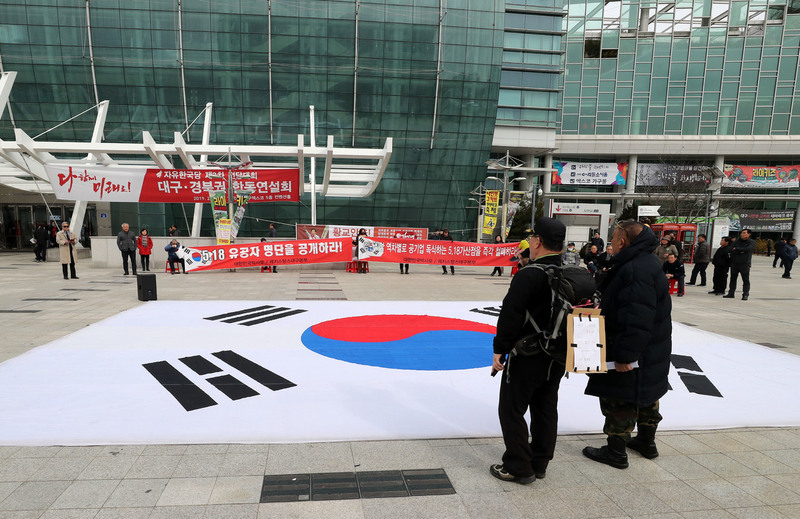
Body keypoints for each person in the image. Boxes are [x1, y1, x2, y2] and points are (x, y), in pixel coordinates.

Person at [583, 220, 672, 469]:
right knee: (647, 394)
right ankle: (646, 442)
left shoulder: (634, 269)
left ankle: (616, 451)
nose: (610, 242)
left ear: (622, 241)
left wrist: (624, 356)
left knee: (620, 396)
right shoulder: (647, 261)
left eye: (613, 238)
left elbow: (636, 317)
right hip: (651, 347)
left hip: (633, 347)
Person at [489, 217, 568, 485]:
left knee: (511, 409)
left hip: (528, 354)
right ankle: (540, 461)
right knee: (546, 407)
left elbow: (511, 316)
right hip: (558, 354)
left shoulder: (529, 275)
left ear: (537, 242)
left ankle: (518, 466)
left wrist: (499, 350)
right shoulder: (571, 272)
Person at [724, 228, 755, 300]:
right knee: (733, 279)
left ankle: (745, 294)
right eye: (741, 233)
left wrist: (737, 249)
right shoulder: (737, 241)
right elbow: (730, 249)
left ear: (749, 234)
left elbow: (748, 249)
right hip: (734, 263)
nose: (742, 234)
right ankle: (731, 293)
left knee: (745, 280)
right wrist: (740, 250)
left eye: (744, 233)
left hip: (744, 263)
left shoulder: (752, 242)